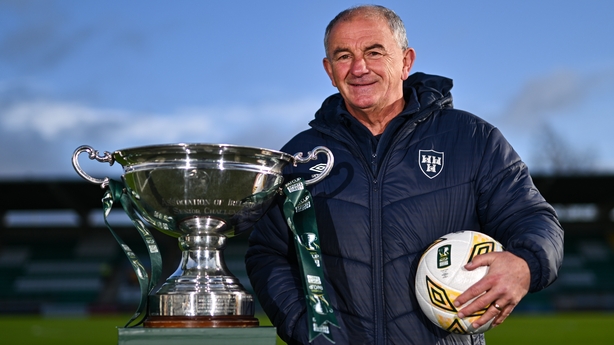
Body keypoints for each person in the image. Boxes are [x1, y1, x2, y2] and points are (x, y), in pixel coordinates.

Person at [245, 4, 564, 345]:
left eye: (374, 52)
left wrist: (525, 264)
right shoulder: (300, 159)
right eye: (343, 56)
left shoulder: (472, 139)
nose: (359, 68)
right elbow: (268, 252)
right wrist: (302, 326)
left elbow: (532, 217)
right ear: (328, 69)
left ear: (406, 62)